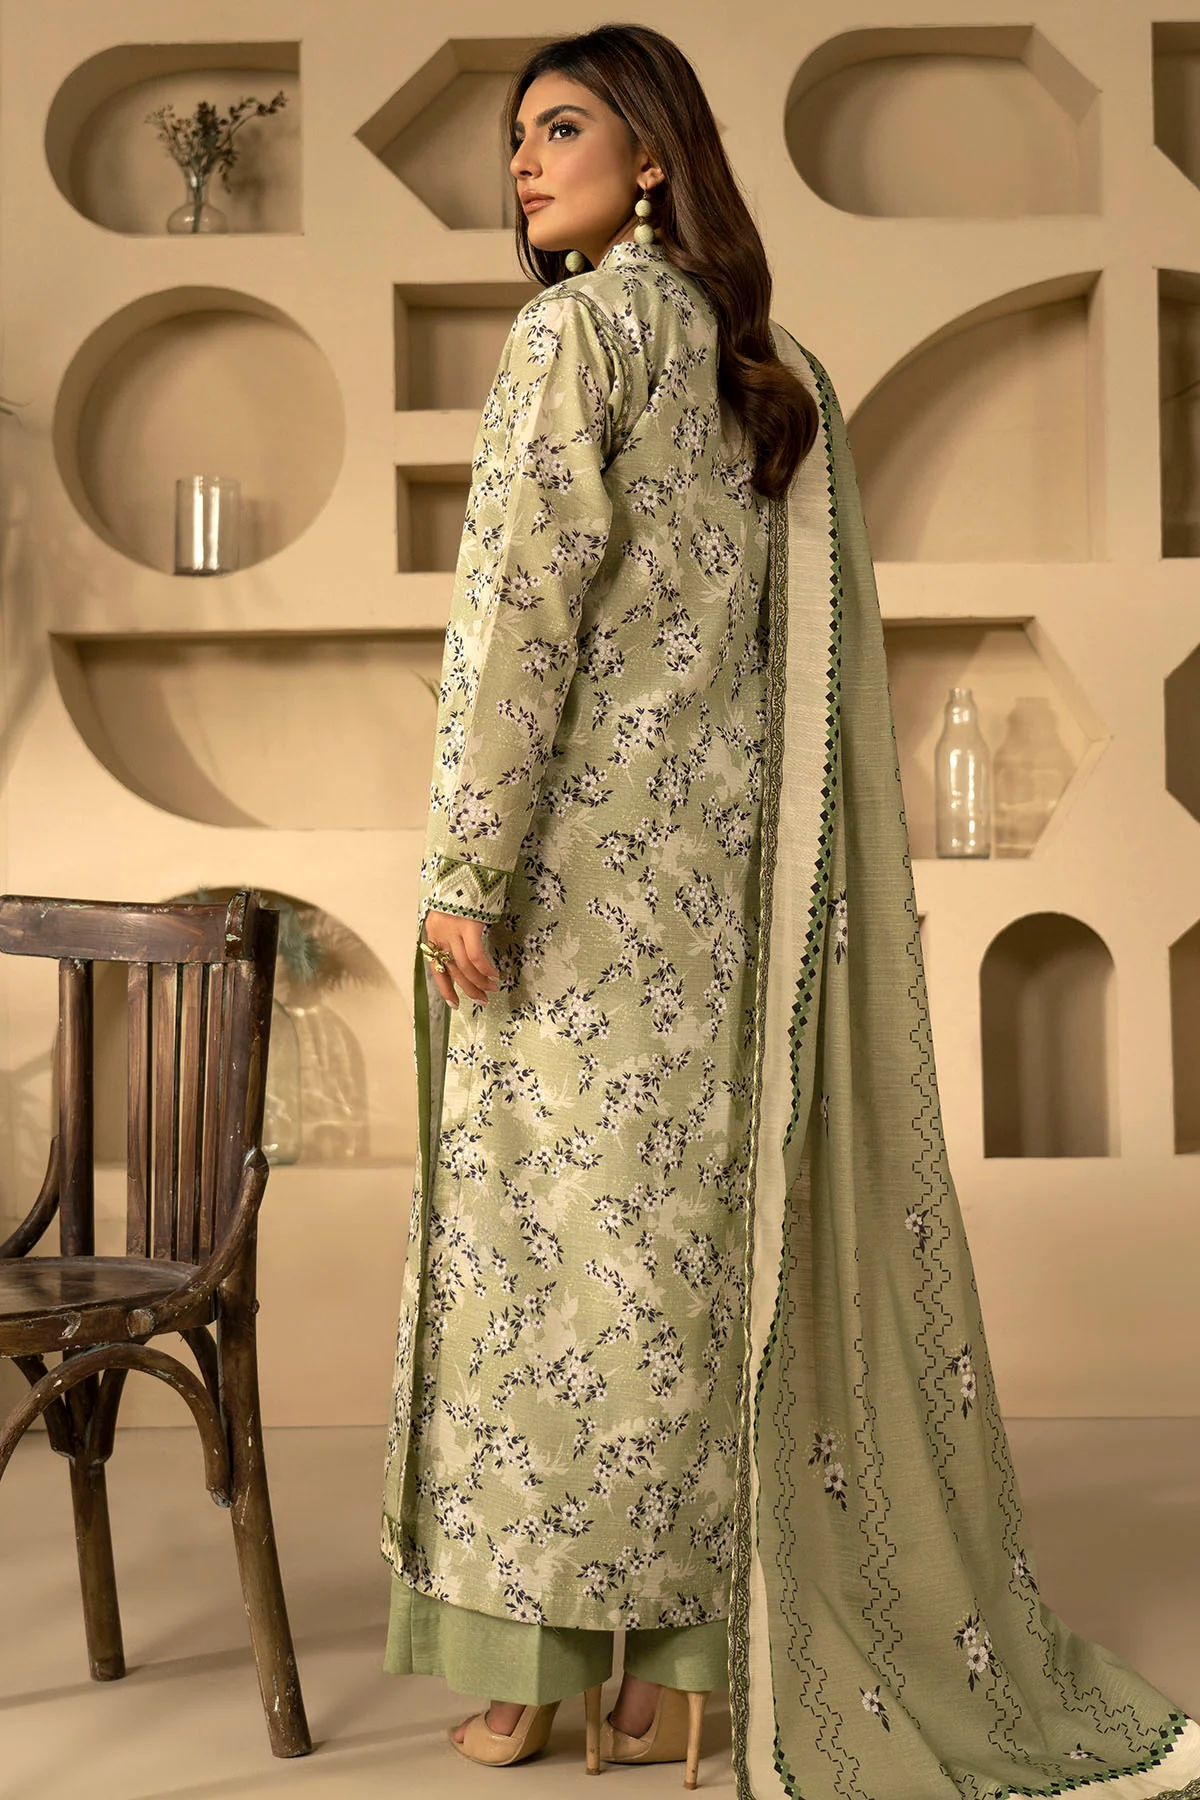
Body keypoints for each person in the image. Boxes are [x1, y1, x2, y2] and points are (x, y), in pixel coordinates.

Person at [381, 23, 1200, 1797]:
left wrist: (464, 869)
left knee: (541, 1288)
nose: (523, 162)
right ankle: (679, 1679)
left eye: (562, 128)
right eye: (516, 136)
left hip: (566, 905)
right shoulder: (775, 371)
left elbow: (517, 618)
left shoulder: (569, 337)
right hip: (725, 914)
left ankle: (536, 1678)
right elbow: (778, 674)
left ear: (651, 156)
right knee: (684, 1285)